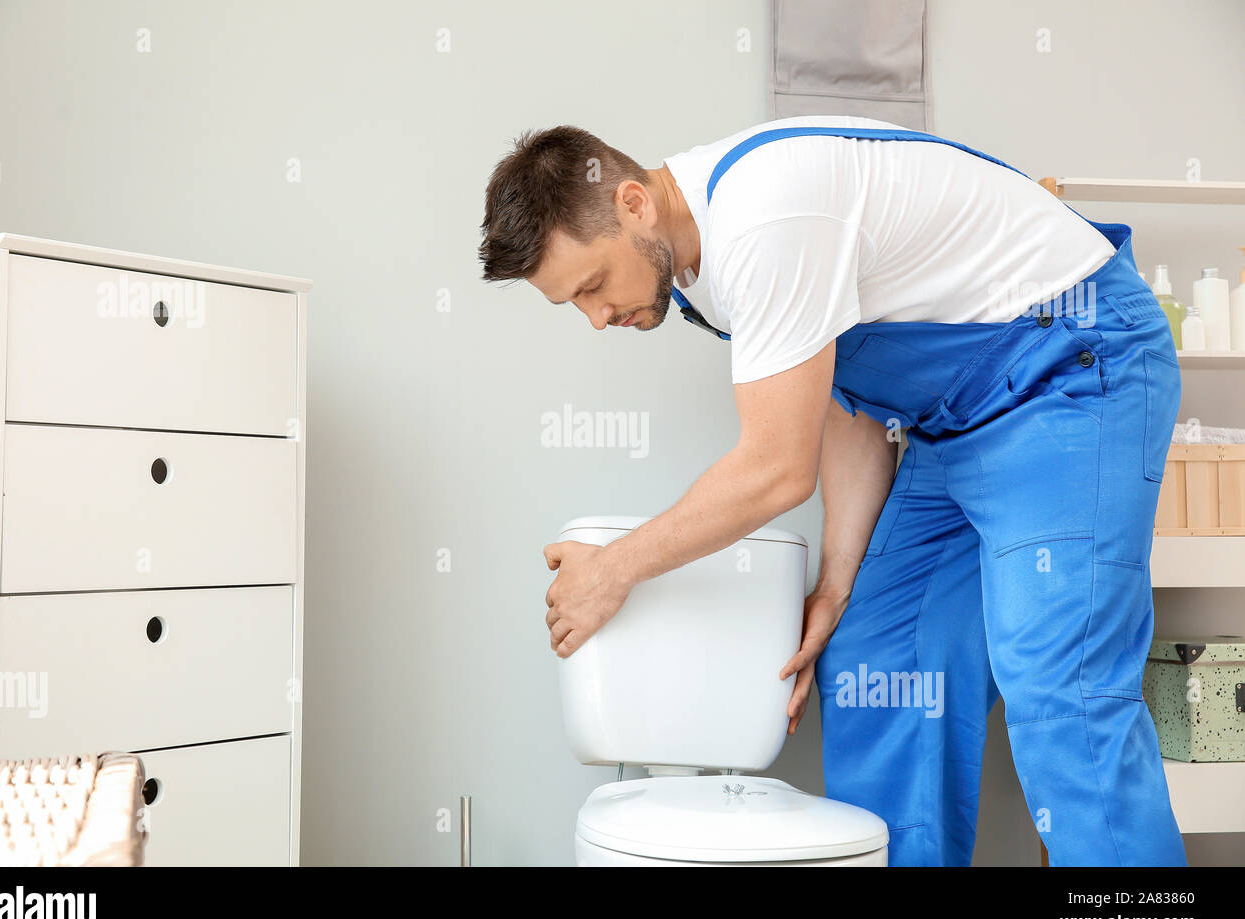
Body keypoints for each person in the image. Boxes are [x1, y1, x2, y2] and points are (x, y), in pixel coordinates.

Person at [477, 116, 1187, 867]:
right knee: (876, 660)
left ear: (633, 204)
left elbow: (776, 470)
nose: (596, 319)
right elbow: (853, 399)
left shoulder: (763, 217)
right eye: (574, 305)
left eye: (592, 286)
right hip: (951, 422)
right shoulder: (692, 275)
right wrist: (836, 587)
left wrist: (612, 570)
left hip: (1067, 374)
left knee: (1060, 691)